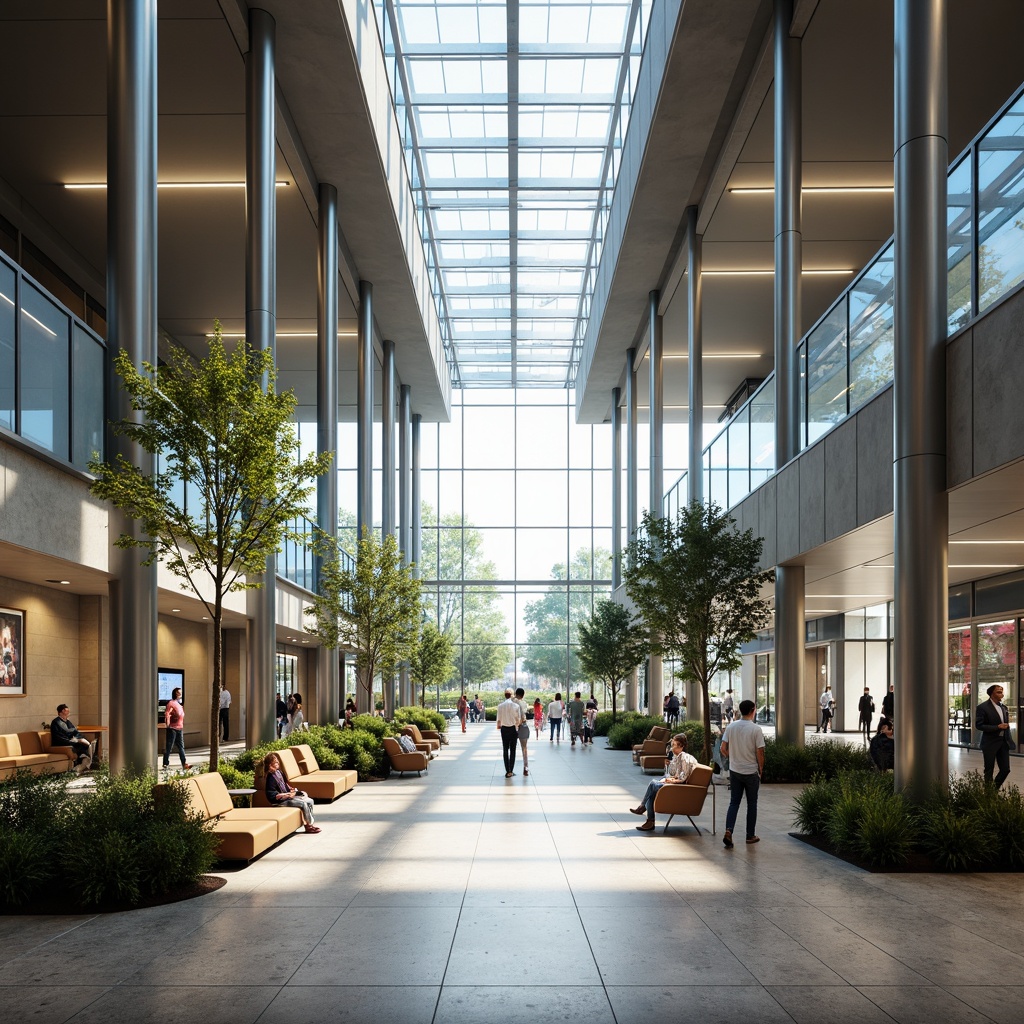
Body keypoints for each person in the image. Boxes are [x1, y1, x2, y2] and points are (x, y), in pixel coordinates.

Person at [629, 732, 698, 831]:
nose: (672, 748)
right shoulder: (678, 757)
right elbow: (675, 773)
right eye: (672, 745)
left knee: (653, 783)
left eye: (674, 745)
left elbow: (683, 776)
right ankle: (649, 820)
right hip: (676, 786)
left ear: (681, 746)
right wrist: (669, 771)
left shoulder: (684, 756)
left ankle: (643, 809)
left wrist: (672, 780)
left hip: (678, 788)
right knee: (652, 793)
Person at [720, 698, 765, 848]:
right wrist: (761, 769)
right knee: (752, 803)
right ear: (752, 711)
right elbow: (760, 752)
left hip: (735, 770)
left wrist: (731, 757)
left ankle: (728, 830)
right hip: (751, 771)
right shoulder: (756, 729)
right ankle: (750, 835)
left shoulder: (731, 727)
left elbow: (722, 748)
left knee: (734, 802)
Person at [263, 752, 321, 833]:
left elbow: (286, 785)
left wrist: (293, 791)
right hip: (280, 801)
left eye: (277, 761)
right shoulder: (270, 777)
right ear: (270, 764)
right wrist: (287, 795)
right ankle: (308, 826)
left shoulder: (279, 772)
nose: (278, 763)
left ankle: (310, 824)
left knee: (310, 800)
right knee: (303, 804)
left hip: (288, 796)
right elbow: (273, 796)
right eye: (275, 762)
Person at [977, 683, 1013, 789]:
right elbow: (979, 725)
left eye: (1002, 691)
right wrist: (997, 726)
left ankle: (993, 791)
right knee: (989, 771)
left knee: (1005, 769)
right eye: (998, 692)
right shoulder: (982, 707)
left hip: (1003, 742)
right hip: (989, 743)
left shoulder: (1004, 707)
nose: (1001, 693)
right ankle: (988, 796)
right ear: (991, 694)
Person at [50, 704, 95, 773]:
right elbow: (59, 737)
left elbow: (75, 732)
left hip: (71, 741)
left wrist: (80, 739)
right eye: (66, 710)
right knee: (78, 746)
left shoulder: (67, 721)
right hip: (61, 743)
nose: (68, 711)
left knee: (86, 744)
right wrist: (75, 741)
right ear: (62, 711)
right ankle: (78, 767)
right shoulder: (56, 722)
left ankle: (85, 765)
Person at [496, 688, 524, 777]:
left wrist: (499, 726)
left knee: (505, 749)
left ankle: (507, 769)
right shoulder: (516, 706)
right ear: (512, 695)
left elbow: (498, 720)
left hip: (504, 729)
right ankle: (511, 771)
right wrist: (516, 727)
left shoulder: (500, 706)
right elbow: (518, 719)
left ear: (505, 695)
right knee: (513, 750)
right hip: (513, 729)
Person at [162, 687, 190, 770]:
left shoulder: (179, 705)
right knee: (169, 747)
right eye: (178, 692)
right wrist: (168, 724)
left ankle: (184, 764)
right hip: (172, 728)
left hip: (180, 728)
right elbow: (167, 714)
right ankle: (165, 764)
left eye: (181, 692)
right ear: (175, 693)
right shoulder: (171, 703)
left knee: (181, 747)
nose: (180, 694)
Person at [513, 687, 531, 776]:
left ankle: (509, 769)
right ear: (523, 695)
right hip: (522, 726)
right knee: (524, 748)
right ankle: (526, 767)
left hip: (512, 726)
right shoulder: (523, 703)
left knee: (511, 748)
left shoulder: (511, 702)